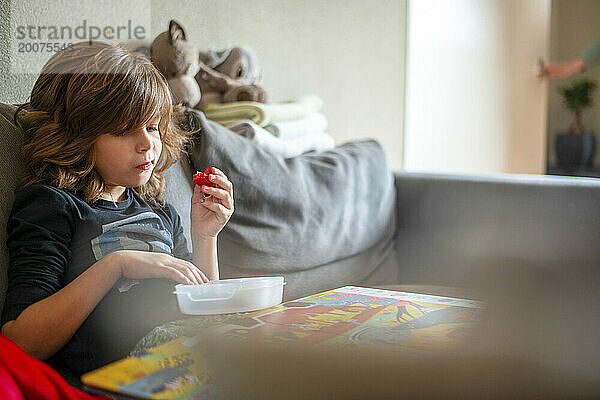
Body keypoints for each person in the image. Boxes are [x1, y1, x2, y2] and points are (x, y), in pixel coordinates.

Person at [0, 41, 234, 374]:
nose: (146, 144)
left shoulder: (159, 211)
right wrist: (116, 264)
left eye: (152, 127)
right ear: (77, 133)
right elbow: (19, 342)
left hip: (186, 356)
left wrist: (205, 235)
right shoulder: (52, 205)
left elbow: (203, 307)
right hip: (128, 375)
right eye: (124, 130)